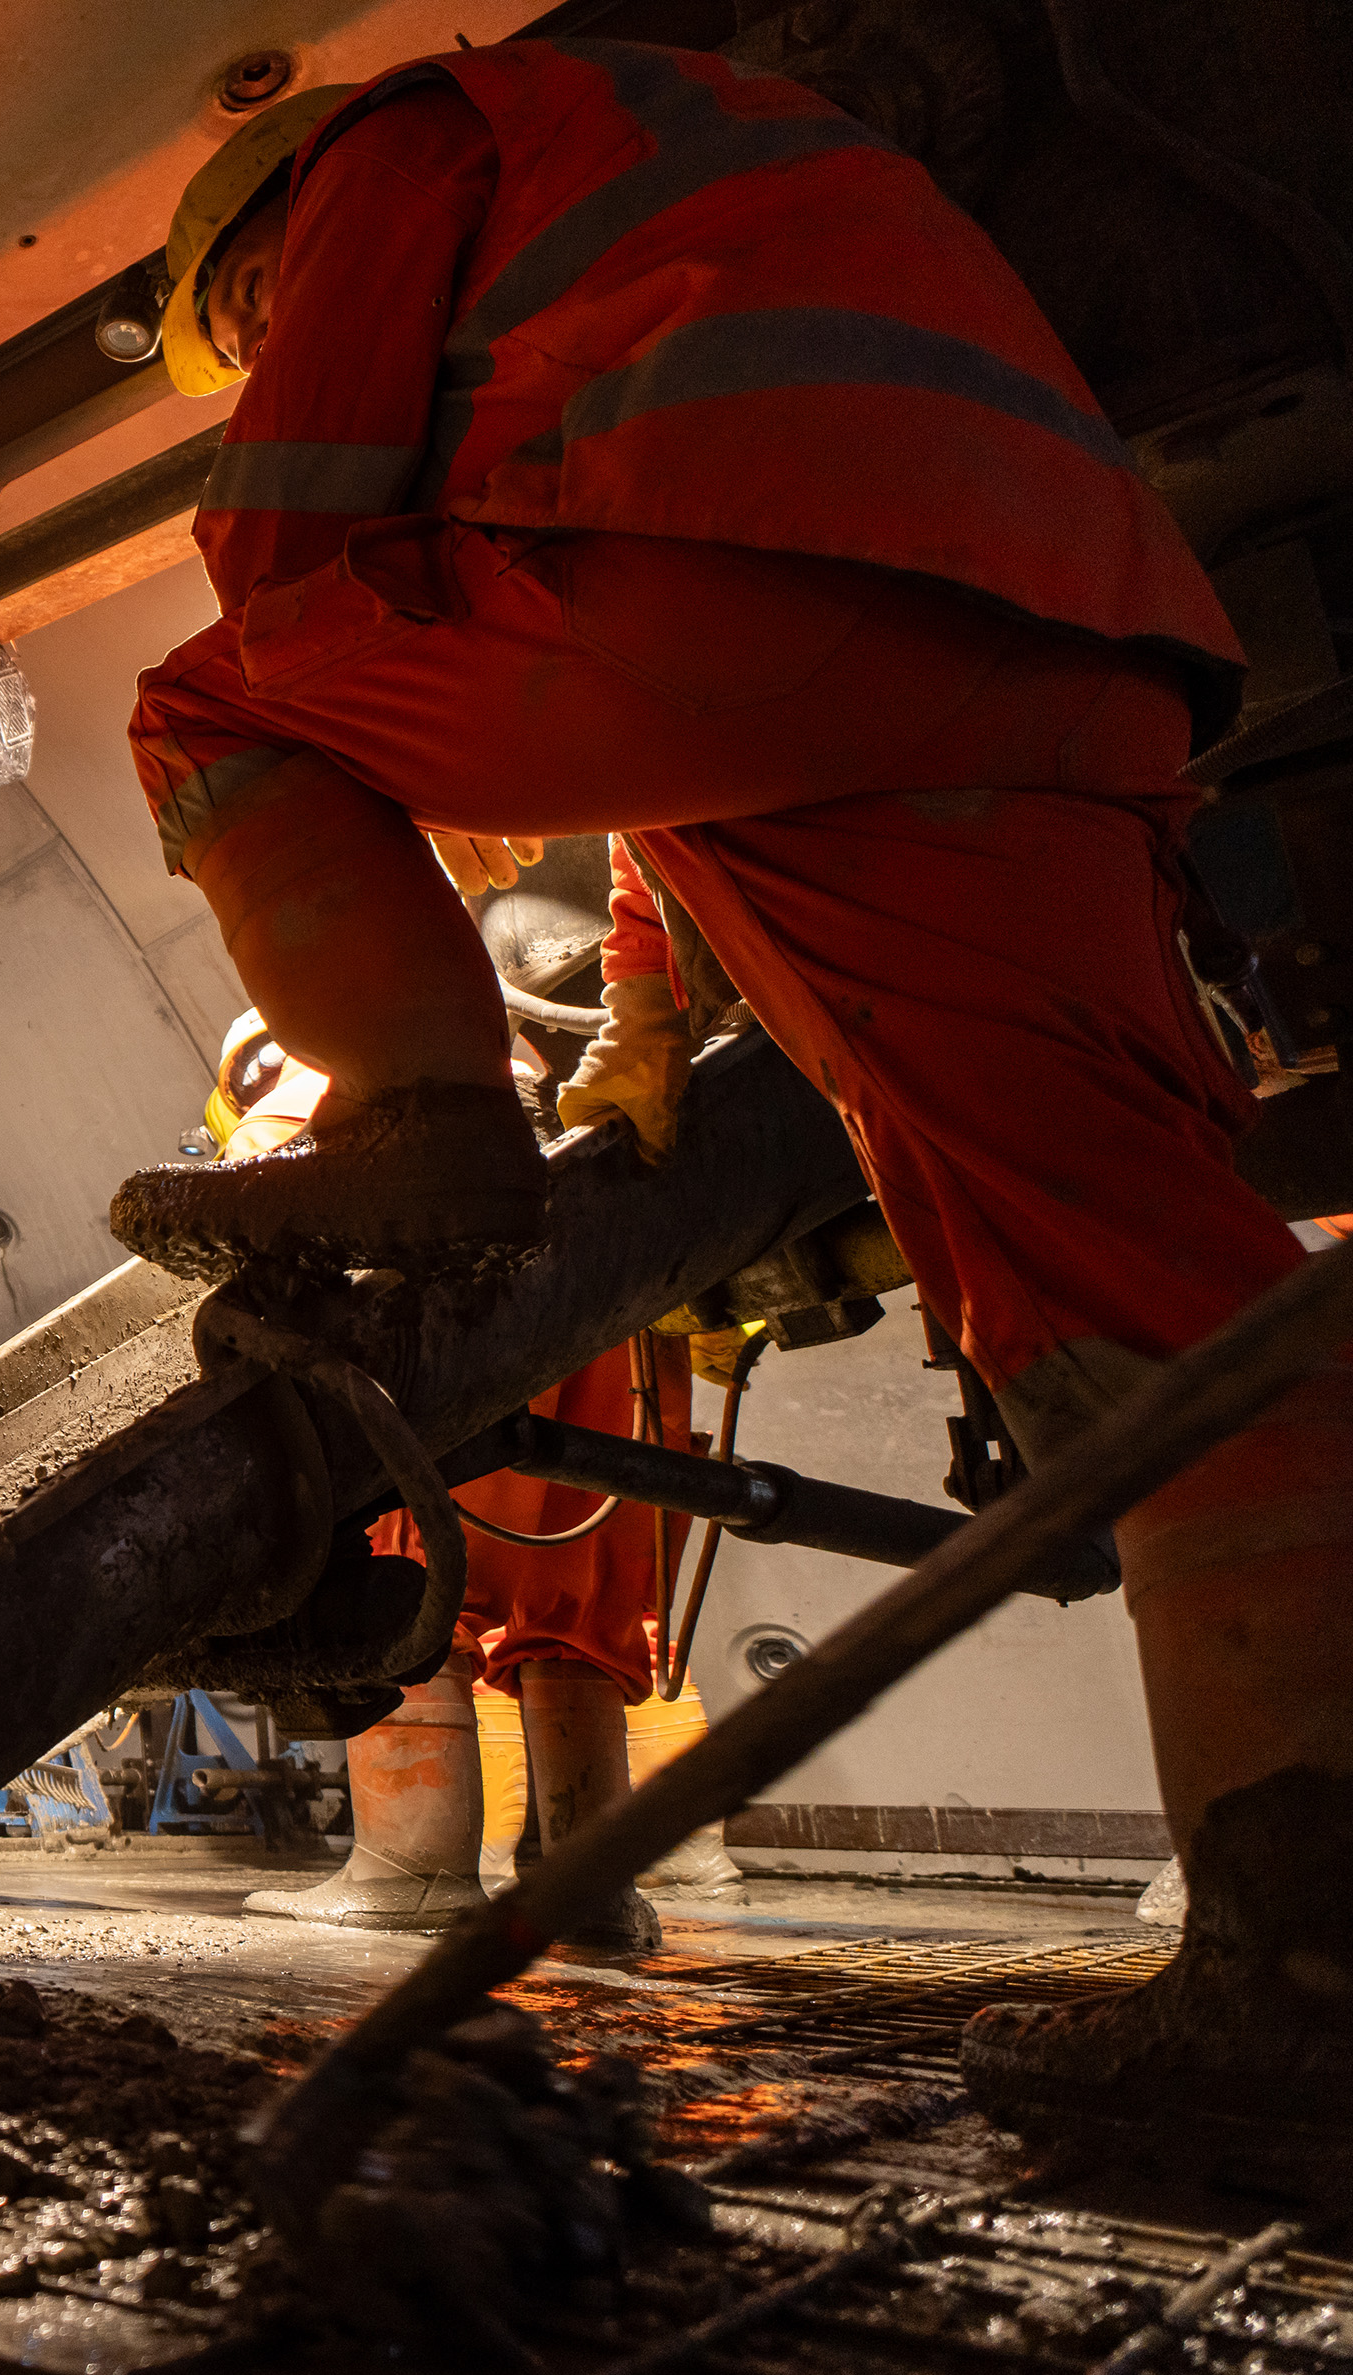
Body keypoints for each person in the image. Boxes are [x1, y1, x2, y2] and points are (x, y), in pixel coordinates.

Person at [103, 42, 1349, 2155]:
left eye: (237, 333)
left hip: (772, 581)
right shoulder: (701, 184)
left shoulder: (393, 151)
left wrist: (387, 902)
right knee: (1139, 1296)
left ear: (251, 257)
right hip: (1068, 649)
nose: (254, 354)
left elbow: (286, 528)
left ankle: (418, 1111)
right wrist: (645, 1023)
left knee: (211, 696)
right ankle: (1308, 1967)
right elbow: (708, 770)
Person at [211, 1007, 706, 1948]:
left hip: (464, 1353)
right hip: (619, 1340)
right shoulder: (583, 1079)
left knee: (411, 1580)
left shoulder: (360, 1041)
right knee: (574, 1613)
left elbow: (260, 1176)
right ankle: (587, 1886)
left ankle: (413, 1870)